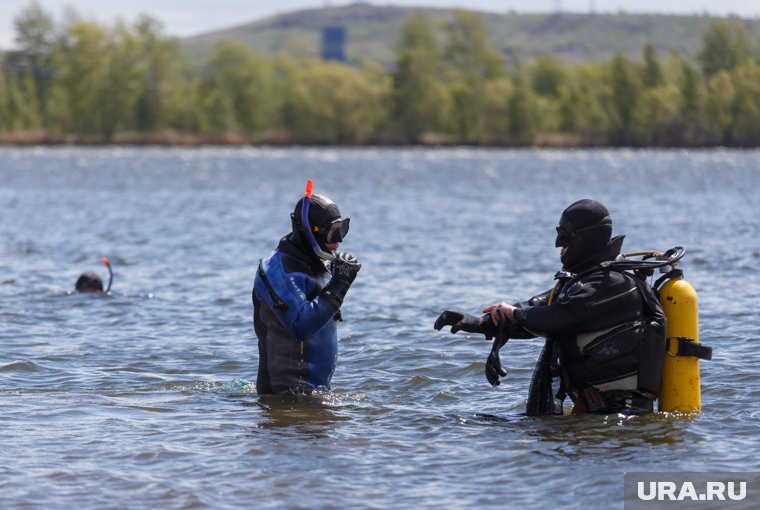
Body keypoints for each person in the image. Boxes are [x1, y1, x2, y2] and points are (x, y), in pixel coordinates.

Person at [435, 199, 665, 415]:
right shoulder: (583, 282)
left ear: (586, 238)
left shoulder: (613, 284)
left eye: (565, 236)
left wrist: (515, 313)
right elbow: (537, 309)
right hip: (596, 415)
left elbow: (556, 318)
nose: (558, 244)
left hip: (623, 418)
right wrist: (479, 324)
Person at [252, 182, 361, 395]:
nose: (339, 241)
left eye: (342, 230)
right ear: (311, 232)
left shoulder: (316, 264)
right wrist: (340, 283)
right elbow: (301, 325)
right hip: (285, 398)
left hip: (311, 396)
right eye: (333, 232)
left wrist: (338, 278)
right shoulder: (277, 269)